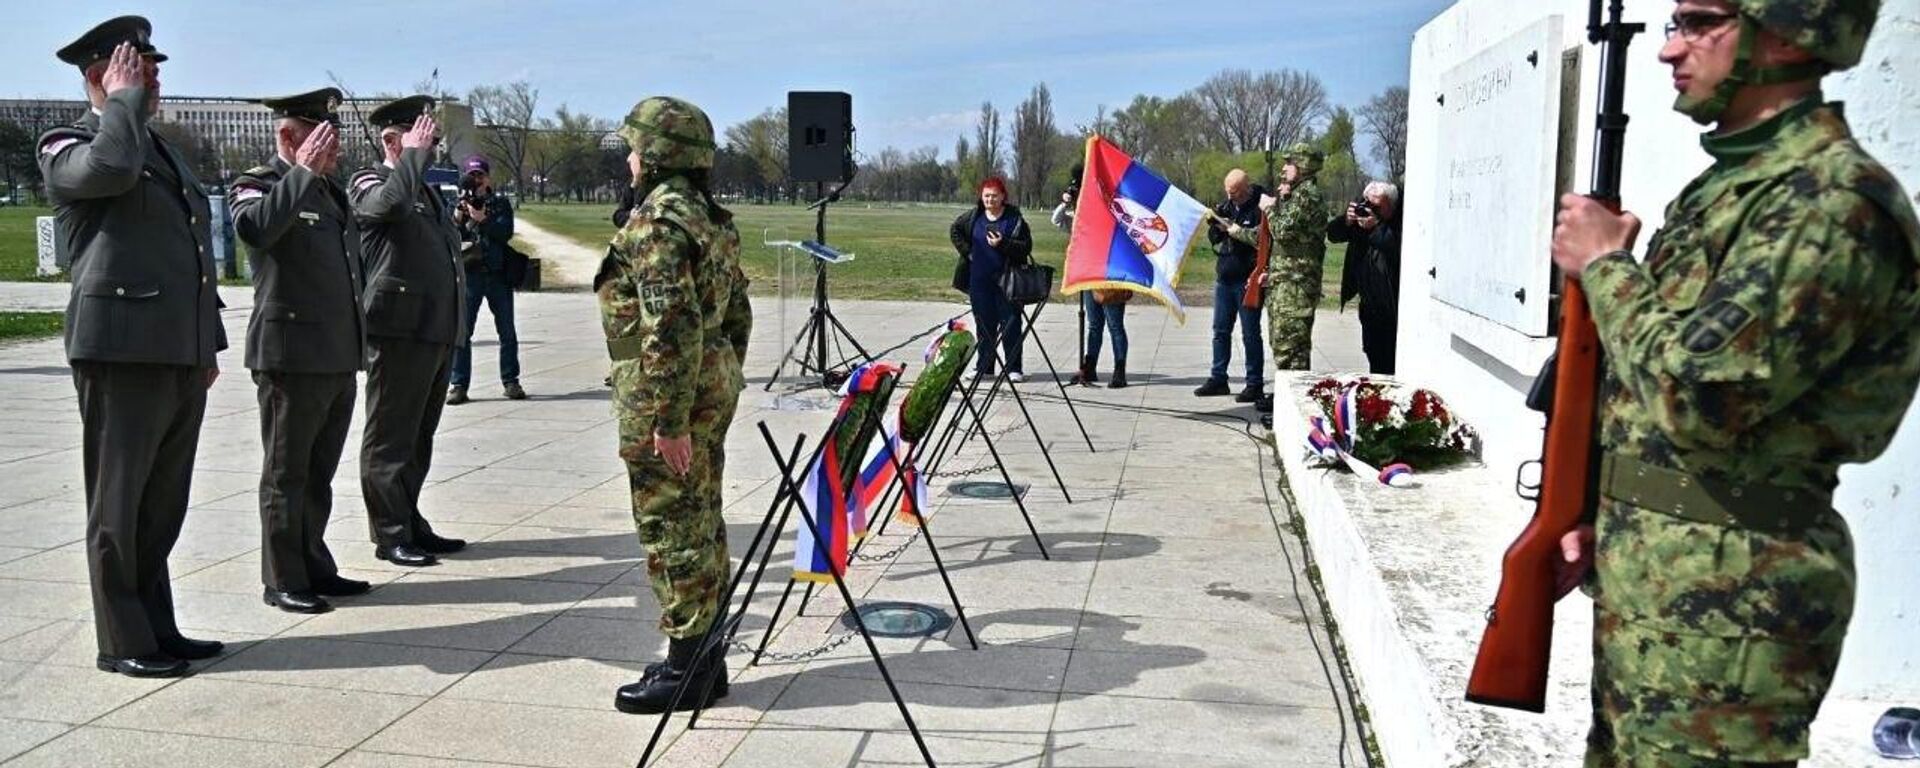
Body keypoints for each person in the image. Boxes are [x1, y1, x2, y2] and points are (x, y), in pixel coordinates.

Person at [1549, 1, 1919, 764]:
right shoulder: (1729, 191)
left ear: (1787, 31)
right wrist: (1612, 510)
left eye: (1699, 22)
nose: (1669, 50)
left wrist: (1608, 267)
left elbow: (1703, 397)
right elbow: (1650, 400)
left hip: (1735, 610)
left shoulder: (1829, 201)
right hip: (1660, 585)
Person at [38, 16, 227, 677]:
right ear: (101, 75)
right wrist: (117, 103)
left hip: (175, 349)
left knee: (161, 502)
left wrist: (206, 346)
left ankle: (157, 627)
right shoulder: (68, 142)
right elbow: (110, 169)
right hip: (120, 350)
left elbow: (196, 253)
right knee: (119, 504)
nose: (156, 77)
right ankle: (122, 640)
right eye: (141, 68)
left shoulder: (160, 148)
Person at [596, 96, 752, 714]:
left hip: (671, 395)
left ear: (658, 157)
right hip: (709, 381)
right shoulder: (711, 218)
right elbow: (736, 312)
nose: (630, 159)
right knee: (703, 515)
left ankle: (687, 666)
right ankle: (703, 660)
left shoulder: (661, 223)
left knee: (672, 524)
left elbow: (671, 324)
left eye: (637, 148)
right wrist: (723, 371)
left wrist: (669, 417)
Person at [230, 88, 370, 614]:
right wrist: (302, 173)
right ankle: (283, 576)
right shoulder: (258, 184)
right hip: (289, 354)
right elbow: (256, 229)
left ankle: (314, 562)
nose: (332, 148)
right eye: (321, 137)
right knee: (286, 472)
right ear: (289, 137)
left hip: (335, 352)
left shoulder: (332, 193)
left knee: (318, 472)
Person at [349, 95, 468, 568]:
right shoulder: (371, 180)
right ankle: (390, 531)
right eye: (422, 140)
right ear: (391, 140)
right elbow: (388, 207)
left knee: (419, 436)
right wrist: (413, 159)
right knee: (389, 437)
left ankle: (410, 518)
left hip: (433, 328)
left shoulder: (425, 188)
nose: (432, 148)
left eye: (433, 141)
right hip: (397, 330)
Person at [447, 155, 524, 405]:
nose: (476, 180)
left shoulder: (499, 204)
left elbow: (505, 232)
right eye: (472, 175)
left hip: (497, 274)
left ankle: (511, 380)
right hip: (470, 275)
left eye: (480, 175)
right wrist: (459, 216)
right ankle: (458, 384)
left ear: (488, 177)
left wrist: (483, 219)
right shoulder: (458, 204)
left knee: (507, 331)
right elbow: (449, 236)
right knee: (463, 332)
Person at [1258, 145, 1331, 384]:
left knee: (1292, 350)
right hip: (1285, 284)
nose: (1283, 168)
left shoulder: (1307, 196)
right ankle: (1284, 401)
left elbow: (1282, 231)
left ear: (1302, 166)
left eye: (1289, 163)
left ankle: (1293, 406)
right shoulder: (1297, 194)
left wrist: (1269, 208)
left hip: (1296, 286)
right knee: (1282, 345)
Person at [948, 177, 1033, 381]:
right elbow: (955, 230)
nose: (990, 199)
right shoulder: (974, 216)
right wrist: (967, 252)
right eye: (986, 195)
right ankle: (984, 367)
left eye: (994, 195)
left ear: (1003, 196)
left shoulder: (1014, 219)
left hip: (1007, 282)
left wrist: (1003, 244)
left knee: (1011, 325)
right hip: (979, 283)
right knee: (984, 326)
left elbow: (1026, 247)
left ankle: (1014, 368)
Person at [1054, 164, 1131, 388]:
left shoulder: (1114, 211)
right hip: (1089, 275)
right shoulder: (1079, 216)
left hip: (1111, 275)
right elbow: (1057, 220)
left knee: (1115, 325)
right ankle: (1090, 366)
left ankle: (1120, 369)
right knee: (1094, 324)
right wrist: (1068, 201)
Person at [1197, 169, 1268, 401]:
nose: (1231, 197)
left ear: (1246, 188)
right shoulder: (1226, 206)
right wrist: (1216, 227)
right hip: (1224, 279)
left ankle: (1254, 383)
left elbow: (1261, 241)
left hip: (1247, 280)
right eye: (1228, 192)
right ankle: (1218, 378)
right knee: (1220, 331)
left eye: (1235, 192)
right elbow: (1216, 239)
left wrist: (1235, 231)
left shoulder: (1260, 208)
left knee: (1250, 334)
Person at [1330, 181, 1403, 375]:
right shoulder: (1361, 222)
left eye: (1378, 206)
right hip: (1370, 305)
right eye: (1368, 203)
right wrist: (1347, 220)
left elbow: (1396, 248)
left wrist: (1376, 228)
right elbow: (1333, 234)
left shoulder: (1401, 221)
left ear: (1391, 205)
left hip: (1393, 306)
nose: (1371, 210)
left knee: (1390, 361)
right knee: (1374, 355)